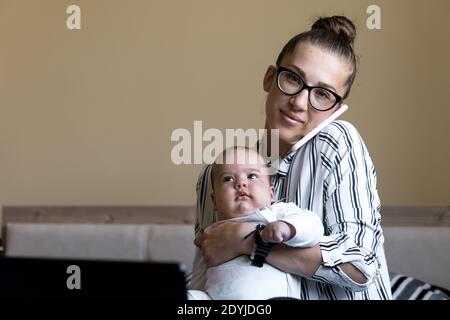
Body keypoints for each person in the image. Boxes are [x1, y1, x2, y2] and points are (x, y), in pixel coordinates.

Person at [191, 15, 392, 300]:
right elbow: (209, 267)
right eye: (293, 78)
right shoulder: (217, 174)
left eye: (322, 94)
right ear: (270, 78)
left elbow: (361, 266)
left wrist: (249, 242)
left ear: (335, 109)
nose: (299, 102)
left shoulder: (336, 143)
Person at [188, 146, 324, 300]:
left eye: (252, 176)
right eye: (228, 179)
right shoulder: (212, 234)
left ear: (271, 193)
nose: (240, 183)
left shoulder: (277, 214)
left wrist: (288, 228)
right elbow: (199, 278)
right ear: (214, 201)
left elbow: (313, 224)